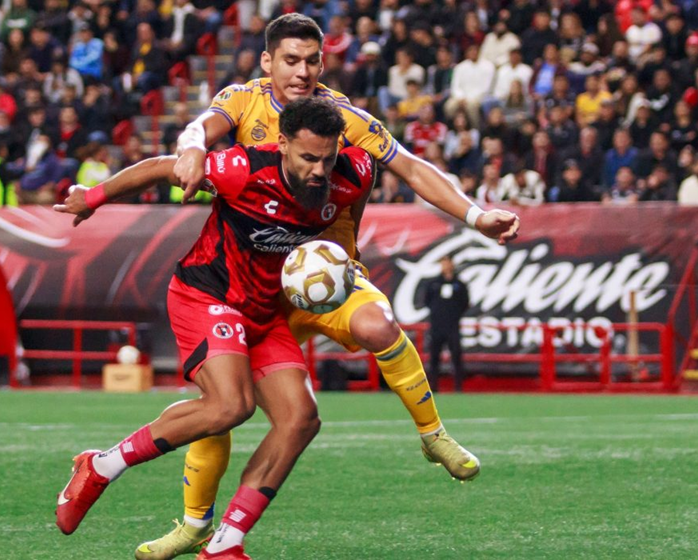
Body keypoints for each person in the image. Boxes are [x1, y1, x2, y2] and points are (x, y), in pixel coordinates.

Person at [153, 14, 520, 560]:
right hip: (254, 285)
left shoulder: (343, 118)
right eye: (291, 60)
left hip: (326, 273)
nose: (302, 72)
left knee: (379, 323)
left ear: (324, 63)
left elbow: (414, 169)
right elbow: (199, 128)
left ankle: (432, 434)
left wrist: (474, 214)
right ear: (268, 62)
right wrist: (188, 148)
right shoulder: (242, 100)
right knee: (225, 403)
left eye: (312, 61)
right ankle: (193, 524)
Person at [53, 98, 375, 558]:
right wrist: (94, 197)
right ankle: (101, 465)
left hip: (264, 312)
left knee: (300, 420)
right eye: (308, 159)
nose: (320, 171)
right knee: (231, 406)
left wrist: (347, 248)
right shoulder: (240, 169)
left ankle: (225, 544)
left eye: (327, 158)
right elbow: (165, 166)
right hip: (207, 294)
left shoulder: (354, 172)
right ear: (282, 144)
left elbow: (362, 190)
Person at [424, 256, 469, 392]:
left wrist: (454, 315)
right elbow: (427, 301)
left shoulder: (459, 285)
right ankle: (433, 387)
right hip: (437, 326)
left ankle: (458, 387)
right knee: (434, 358)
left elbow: (465, 302)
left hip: (453, 326)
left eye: (447, 263)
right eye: (443, 263)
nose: (445, 266)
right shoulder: (433, 284)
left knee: (456, 356)